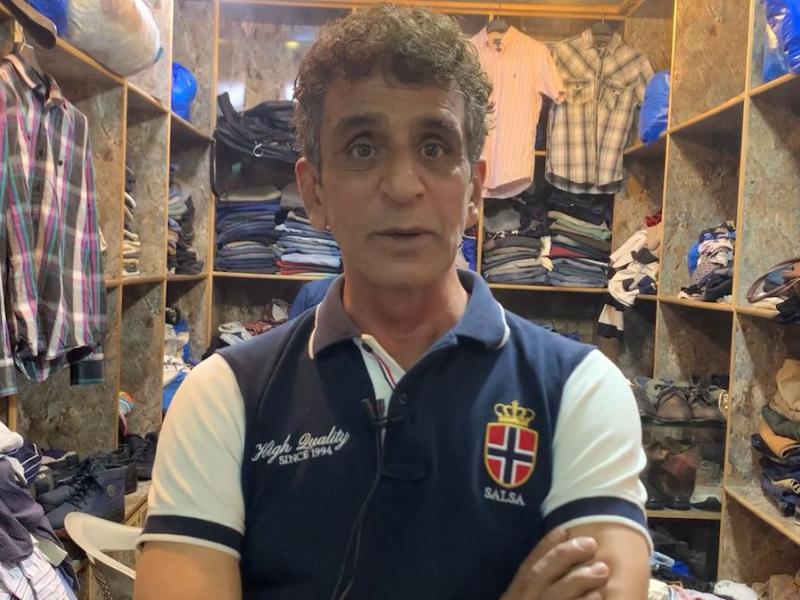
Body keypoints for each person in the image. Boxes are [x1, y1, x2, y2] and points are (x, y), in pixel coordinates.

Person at [134, 6, 651, 599]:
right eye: (362, 149)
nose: (404, 185)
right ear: (314, 192)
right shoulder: (223, 398)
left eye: (434, 147)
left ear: (474, 189)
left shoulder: (580, 392)